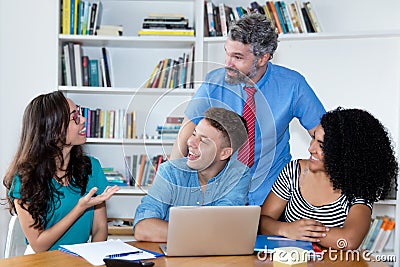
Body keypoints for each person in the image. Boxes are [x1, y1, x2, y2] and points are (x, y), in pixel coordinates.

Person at [170, 13, 326, 206]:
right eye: (227, 53)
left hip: (273, 194)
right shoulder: (214, 82)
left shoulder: (292, 85)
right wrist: (169, 185)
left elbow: (324, 136)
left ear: (263, 58)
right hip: (220, 192)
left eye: (237, 57)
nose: (227, 63)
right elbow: (185, 133)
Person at [259, 107, 398, 250]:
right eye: (313, 138)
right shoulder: (294, 171)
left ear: (345, 153)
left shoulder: (358, 187)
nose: (311, 149)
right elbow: (262, 221)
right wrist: (286, 229)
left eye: (322, 145)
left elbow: (348, 241)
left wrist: (304, 232)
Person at [3, 91, 120, 253]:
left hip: (81, 259)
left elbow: (100, 228)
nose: (84, 119)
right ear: (53, 129)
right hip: (41, 261)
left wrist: (92, 259)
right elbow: (39, 245)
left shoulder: (91, 168)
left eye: (79, 112)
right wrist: (79, 208)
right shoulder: (24, 179)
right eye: (74, 117)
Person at [133, 107, 250, 242]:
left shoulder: (239, 175)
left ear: (224, 153)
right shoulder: (170, 171)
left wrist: (176, 232)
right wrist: (206, 233)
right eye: (194, 134)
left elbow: (221, 226)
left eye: (204, 141)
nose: (190, 142)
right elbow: (143, 229)